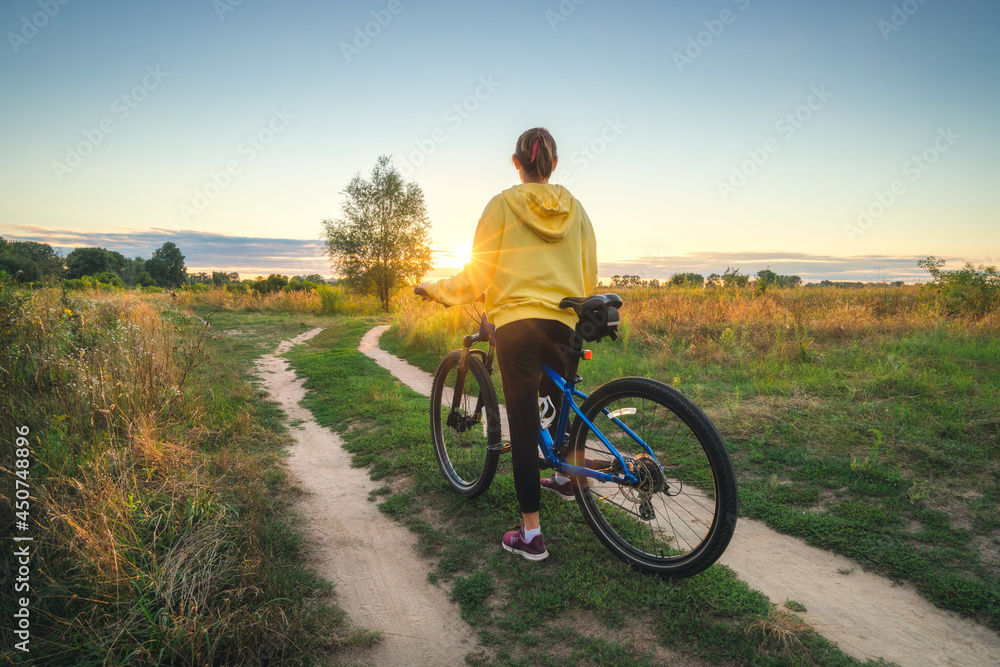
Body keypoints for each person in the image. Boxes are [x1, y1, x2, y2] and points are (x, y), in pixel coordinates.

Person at [418, 127, 598, 561]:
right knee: (557, 399)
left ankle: (531, 535)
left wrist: (435, 289)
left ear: (516, 162)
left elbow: (477, 277)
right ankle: (565, 477)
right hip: (567, 323)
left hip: (517, 325)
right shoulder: (576, 209)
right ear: (553, 165)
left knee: (521, 421)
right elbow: (588, 273)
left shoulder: (501, 205)